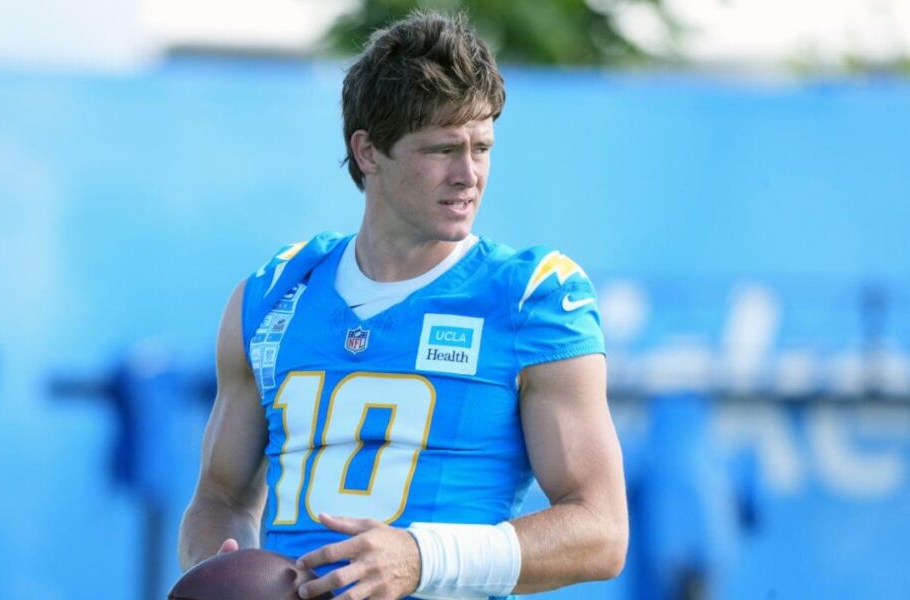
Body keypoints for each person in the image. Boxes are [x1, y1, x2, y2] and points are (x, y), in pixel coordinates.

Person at [178, 11, 628, 600]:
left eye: (482, 148)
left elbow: (601, 531)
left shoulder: (530, 297)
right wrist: (223, 570)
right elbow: (220, 496)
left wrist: (422, 558)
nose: (468, 175)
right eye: (442, 149)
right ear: (367, 151)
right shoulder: (274, 294)